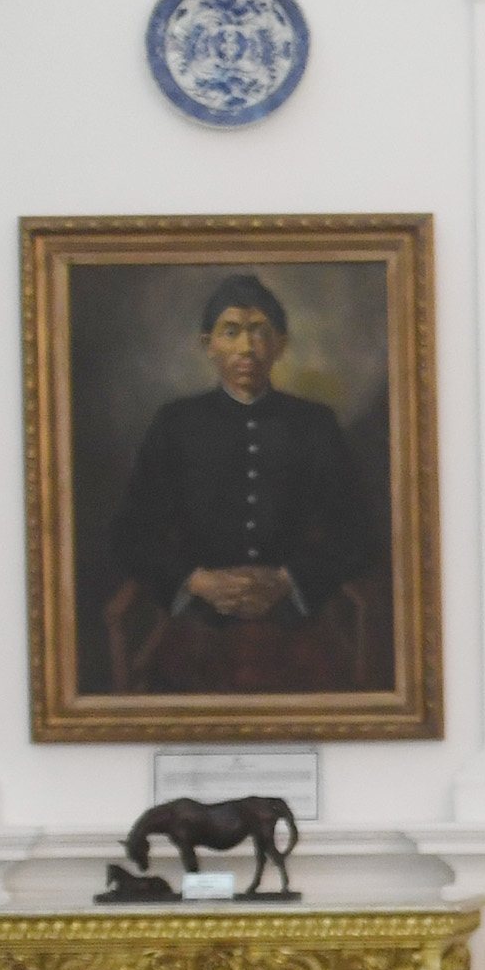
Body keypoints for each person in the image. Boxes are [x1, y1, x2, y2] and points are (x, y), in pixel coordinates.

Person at [107, 273, 385, 695]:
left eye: (259, 332)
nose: (246, 348)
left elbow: (359, 534)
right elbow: (131, 533)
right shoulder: (176, 423)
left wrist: (287, 580)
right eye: (231, 332)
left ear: (280, 344)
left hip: (296, 620)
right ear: (208, 345)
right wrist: (198, 582)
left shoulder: (314, 424)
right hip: (198, 624)